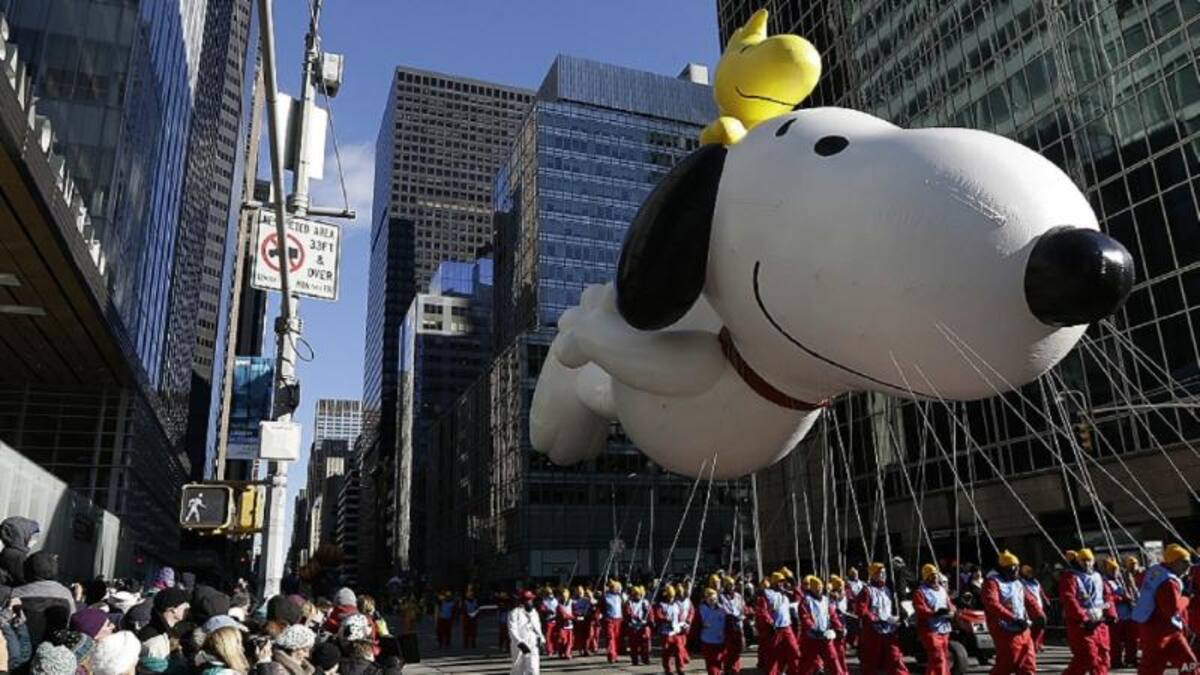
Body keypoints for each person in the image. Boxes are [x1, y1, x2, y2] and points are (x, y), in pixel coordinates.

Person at [1132, 543, 1193, 675]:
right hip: (1161, 633)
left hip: (1160, 630)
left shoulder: (1156, 571)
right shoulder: (1168, 582)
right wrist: (1186, 599)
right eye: (1185, 562)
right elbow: (1172, 610)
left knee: (1189, 665)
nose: (1189, 566)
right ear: (1174, 562)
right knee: (1152, 670)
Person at [981, 550, 1043, 675]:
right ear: (1003, 569)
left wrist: (1039, 615)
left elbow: (1029, 599)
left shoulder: (1017, 582)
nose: (1015, 571)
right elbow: (992, 604)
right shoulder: (992, 582)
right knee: (1007, 664)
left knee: (1028, 664)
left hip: (1023, 628)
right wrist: (1013, 618)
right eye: (1012, 568)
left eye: (1017, 567)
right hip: (1005, 630)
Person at [1061, 548, 1114, 675]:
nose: (1087, 563)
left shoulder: (1098, 576)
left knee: (1103, 656)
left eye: (1089, 560)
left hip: (1099, 623)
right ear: (1078, 561)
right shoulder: (1070, 577)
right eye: (1083, 560)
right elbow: (1069, 599)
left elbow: (1107, 595)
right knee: (1086, 657)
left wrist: (1111, 613)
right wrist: (1083, 618)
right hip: (1081, 624)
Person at [855, 562, 908, 675]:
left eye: (884, 573)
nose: (883, 575)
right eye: (880, 573)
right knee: (870, 661)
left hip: (889, 630)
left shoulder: (888, 590)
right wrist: (875, 618)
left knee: (895, 657)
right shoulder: (866, 590)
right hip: (873, 631)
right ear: (873, 575)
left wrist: (897, 617)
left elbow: (893, 607)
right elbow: (860, 610)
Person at [15, 553, 76, 647]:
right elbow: (71, 621)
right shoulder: (65, 594)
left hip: (20, 647)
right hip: (52, 648)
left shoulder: (16, 593)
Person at [796, 575, 843, 675]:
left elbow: (832, 615)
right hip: (811, 638)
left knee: (833, 658)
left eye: (821, 588)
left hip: (825, 636)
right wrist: (813, 629)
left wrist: (839, 627)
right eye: (817, 589)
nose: (819, 591)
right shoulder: (805, 601)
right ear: (812, 589)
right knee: (806, 663)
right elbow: (805, 618)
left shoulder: (826, 600)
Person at [913, 564, 954, 675]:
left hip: (944, 628)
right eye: (931, 575)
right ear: (926, 577)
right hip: (929, 630)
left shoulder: (942, 590)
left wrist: (952, 611)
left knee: (941, 657)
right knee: (938, 657)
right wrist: (934, 613)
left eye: (936, 575)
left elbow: (949, 604)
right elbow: (920, 609)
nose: (935, 577)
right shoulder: (920, 592)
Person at [1102, 557, 1136, 668]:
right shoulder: (1104, 582)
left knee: (1131, 639)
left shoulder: (1121, 580)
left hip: (1128, 615)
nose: (1114, 571)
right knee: (1115, 642)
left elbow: (1131, 591)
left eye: (1115, 569)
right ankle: (1116, 661)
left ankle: (1131, 659)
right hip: (1116, 615)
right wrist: (1122, 598)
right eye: (1112, 569)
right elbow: (1108, 597)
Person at [508, 590, 544, 675]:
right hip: (520, 646)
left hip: (533, 643)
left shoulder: (534, 613)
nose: (530, 602)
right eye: (528, 600)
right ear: (522, 601)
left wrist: (542, 639)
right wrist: (519, 643)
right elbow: (512, 629)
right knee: (518, 670)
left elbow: (538, 628)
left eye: (531, 600)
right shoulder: (514, 613)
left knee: (534, 670)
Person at [655, 585, 688, 675]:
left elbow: (680, 616)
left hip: (676, 632)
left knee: (679, 651)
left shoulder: (676, 604)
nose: (671, 598)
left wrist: (683, 623)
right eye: (669, 596)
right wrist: (665, 619)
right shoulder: (661, 605)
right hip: (665, 633)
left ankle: (680, 669)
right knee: (667, 653)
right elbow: (658, 616)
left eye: (672, 596)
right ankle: (668, 669)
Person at [1017, 565, 1049, 653]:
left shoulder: (1035, 582)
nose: (1030, 574)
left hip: (1039, 606)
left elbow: (1041, 592)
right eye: (1027, 572)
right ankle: (1033, 644)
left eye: (1031, 572)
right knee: (1034, 627)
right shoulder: (1021, 582)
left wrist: (1046, 600)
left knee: (1041, 626)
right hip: (1029, 608)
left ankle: (1039, 643)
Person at [696, 588, 727, 675]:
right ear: (706, 598)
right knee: (711, 665)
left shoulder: (722, 609)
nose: (713, 601)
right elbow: (696, 625)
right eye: (710, 599)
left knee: (719, 662)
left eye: (714, 599)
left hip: (720, 641)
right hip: (707, 640)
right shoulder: (701, 609)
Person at [718, 575, 745, 674]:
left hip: (738, 624)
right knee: (728, 648)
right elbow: (721, 608)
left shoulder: (738, 596)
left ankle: (735, 669)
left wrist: (742, 614)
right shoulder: (721, 597)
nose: (731, 587)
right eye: (729, 585)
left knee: (738, 648)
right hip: (727, 623)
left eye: (732, 585)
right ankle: (728, 668)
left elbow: (742, 608)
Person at [0, 518, 37, 587]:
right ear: (20, 534)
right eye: (29, 534)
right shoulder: (16, 556)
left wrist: (26, 549)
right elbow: (23, 580)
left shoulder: (9, 551)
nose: (31, 538)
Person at [827, 576, 851, 675]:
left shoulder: (844, 596)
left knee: (841, 650)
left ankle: (843, 669)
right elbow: (831, 611)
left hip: (843, 623)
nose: (842, 589)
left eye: (842, 586)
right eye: (839, 587)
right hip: (835, 625)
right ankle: (841, 671)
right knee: (837, 650)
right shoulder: (831, 597)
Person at [624, 585, 652, 666]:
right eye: (635, 594)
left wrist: (648, 621)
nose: (637, 596)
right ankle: (634, 660)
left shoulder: (645, 602)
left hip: (643, 626)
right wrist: (633, 619)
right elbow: (627, 613)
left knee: (645, 644)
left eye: (639, 594)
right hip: (633, 626)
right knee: (633, 645)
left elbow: (650, 613)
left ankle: (645, 659)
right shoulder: (629, 603)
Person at [601, 580, 623, 664]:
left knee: (617, 638)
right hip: (609, 620)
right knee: (610, 638)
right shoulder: (605, 596)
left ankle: (615, 655)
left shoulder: (620, 596)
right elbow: (601, 608)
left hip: (618, 620)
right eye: (616, 588)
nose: (617, 589)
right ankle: (611, 655)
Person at [552, 588, 574, 659]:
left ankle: (567, 653)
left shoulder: (571, 602)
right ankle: (561, 652)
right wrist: (574, 617)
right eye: (563, 596)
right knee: (562, 641)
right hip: (562, 626)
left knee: (569, 641)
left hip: (570, 625)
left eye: (565, 596)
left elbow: (575, 609)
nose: (564, 597)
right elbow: (564, 616)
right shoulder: (559, 606)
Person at [569, 587, 591, 657]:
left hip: (585, 619)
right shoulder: (572, 600)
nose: (579, 593)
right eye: (578, 591)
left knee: (587, 636)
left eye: (581, 591)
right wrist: (575, 616)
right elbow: (570, 609)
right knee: (578, 636)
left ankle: (586, 649)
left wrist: (591, 597)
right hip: (576, 619)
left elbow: (591, 605)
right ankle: (580, 649)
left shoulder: (586, 600)